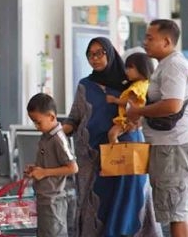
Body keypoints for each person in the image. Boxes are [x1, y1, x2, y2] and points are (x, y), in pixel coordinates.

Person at [63, 37, 160, 237]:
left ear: (110, 52)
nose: (94, 58)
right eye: (90, 54)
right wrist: (60, 128)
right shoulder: (84, 85)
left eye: (99, 53)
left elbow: (140, 114)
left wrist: (122, 129)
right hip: (91, 159)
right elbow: (75, 116)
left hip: (123, 154)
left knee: (128, 203)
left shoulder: (131, 84)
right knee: (98, 204)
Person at [127, 19, 188, 237]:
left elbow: (172, 105)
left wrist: (138, 111)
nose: (144, 42)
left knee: (176, 212)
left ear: (166, 41)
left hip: (173, 148)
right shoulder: (166, 65)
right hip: (168, 147)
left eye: (150, 38)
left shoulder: (174, 66)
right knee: (179, 210)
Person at [26, 93, 78, 237]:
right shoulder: (46, 135)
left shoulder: (58, 139)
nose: (36, 126)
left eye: (38, 122)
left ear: (51, 117)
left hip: (53, 200)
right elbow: (47, 164)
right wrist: (36, 169)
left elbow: (73, 167)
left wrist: (44, 173)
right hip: (43, 197)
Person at [106, 52, 153, 143]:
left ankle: (115, 151)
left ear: (142, 68)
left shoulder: (137, 87)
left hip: (127, 119)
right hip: (134, 120)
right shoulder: (145, 84)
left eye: (130, 67)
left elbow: (129, 102)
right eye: (126, 68)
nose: (126, 71)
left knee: (112, 134)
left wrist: (114, 100)